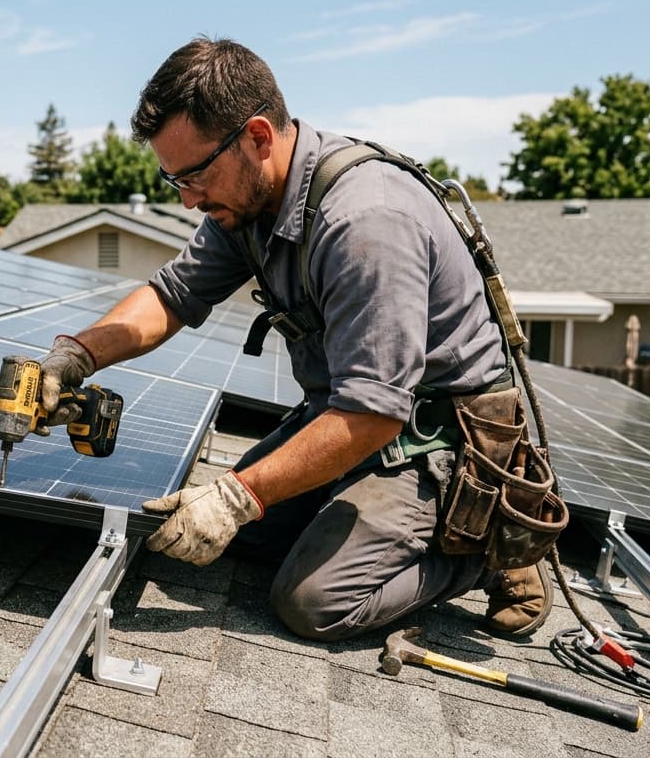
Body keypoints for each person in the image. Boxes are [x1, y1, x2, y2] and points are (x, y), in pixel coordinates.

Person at [35, 36, 553, 642]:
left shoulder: (365, 223)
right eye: (172, 178)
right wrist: (76, 355)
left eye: (195, 175)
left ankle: (480, 547)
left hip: (434, 441)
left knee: (312, 600)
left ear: (257, 136)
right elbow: (173, 295)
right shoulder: (247, 202)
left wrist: (237, 494)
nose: (187, 199)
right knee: (245, 537)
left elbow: (374, 414)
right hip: (350, 415)